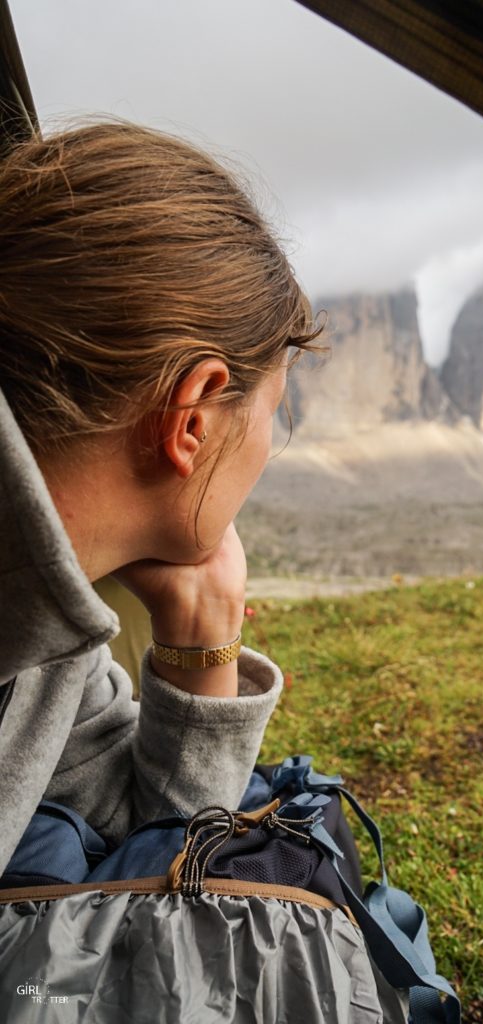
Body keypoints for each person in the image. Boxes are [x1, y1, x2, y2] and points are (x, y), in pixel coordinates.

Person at [0, 120, 321, 875]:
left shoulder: (53, 639)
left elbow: (142, 837)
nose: (265, 452)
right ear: (192, 417)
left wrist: (201, 626)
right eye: (269, 415)